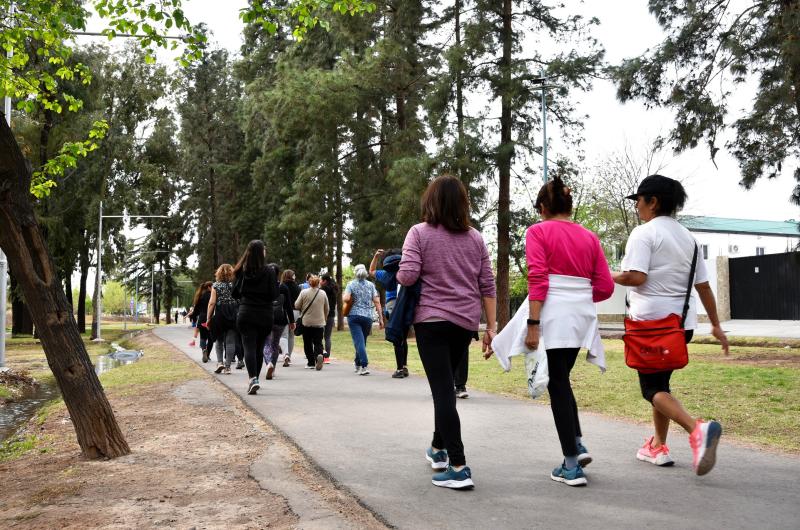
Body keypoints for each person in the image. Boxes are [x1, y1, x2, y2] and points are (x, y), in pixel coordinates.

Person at [613, 174, 729, 476]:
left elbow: (636, 277)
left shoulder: (643, 233)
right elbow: (703, 286)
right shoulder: (689, 239)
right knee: (660, 384)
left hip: (650, 326)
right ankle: (658, 446)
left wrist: (605, 273)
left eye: (639, 200)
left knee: (650, 388)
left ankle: (697, 429)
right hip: (681, 327)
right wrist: (716, 325)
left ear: (653, 201)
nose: (637, 205)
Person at [396, 175, 497, 490]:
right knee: (446, 387)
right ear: (462, 204)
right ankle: (438, 449)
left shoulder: (419, 233)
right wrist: (491, 327)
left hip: (432, 321)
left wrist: (395, 271)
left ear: (431, 201)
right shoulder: (476, 238)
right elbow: (487, 284)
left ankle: (458, 465)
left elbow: (409, 275)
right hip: (464, 323)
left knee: (442, 391)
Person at [520, 176, 615, 487]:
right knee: (562, 379)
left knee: (558, 384)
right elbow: (605, 285)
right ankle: (575, 442)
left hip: (553, 315)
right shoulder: (590, 237)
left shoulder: (537, 232)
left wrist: (533, 324)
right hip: (581, 317)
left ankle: (572, 465)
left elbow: (538, 278)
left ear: (544, 207)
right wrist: (578, 296)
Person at [232, 240, 278, 395]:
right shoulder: (270, 272)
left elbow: (235, 293)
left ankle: (253, 379)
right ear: (261, 253)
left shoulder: (241, 271)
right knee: (258, 348)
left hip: (246, 312)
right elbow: (273, 295)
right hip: (265, 314)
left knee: (248, 347)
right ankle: (255, 378)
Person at [370, 249, 408, 379]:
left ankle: (399, 369)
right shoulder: (404, 272)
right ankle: (404, 366)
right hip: (405, 304)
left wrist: (375, 257)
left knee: (397, 339)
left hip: (392, 306)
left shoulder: (385, 274)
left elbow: (371, 271)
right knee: (403, 337)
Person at [343, 264, 383, 375]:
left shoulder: (350, 284)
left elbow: (346, 298)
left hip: (354, 316)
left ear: (355, 273)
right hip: (367, 317)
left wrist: (349, 298)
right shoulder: (371, 285)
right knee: (361, 341)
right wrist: (381, 319)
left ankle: (364, 365)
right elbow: (377, 302)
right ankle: (357, 364)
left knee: (359, 341)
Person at [207, 264, 240, 375]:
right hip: (233, 314)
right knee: (230, 342)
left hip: (220, 314)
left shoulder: (216, 286)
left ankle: (220, 362)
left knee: (219, 340)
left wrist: (208, 318)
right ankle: (228, 367)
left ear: (218, 273)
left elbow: (212, 303)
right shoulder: (235, 285)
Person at [263, 263, 295, 379]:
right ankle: (273, 367)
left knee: (266, 343)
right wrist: (292, 321)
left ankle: (268, 364)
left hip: (265, 318)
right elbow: (288, 306)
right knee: (275, 344)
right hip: (280, 319)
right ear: (278, 274)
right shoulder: (283, 287)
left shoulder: (263, 287)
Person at [294, 275, 329, 370]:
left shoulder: (303, 292)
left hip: (306, 322)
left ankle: (310, 362)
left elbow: (296, 305)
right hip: (319, 322)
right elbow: (327, 308)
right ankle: (319, 355)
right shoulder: (323, 293)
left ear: (309, 283)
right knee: (318, 342)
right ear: (318, 283)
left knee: (307, 342)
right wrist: (324, 318)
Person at [320, 272, 339, 363]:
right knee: (327, 337)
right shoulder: (334, 289)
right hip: (331, 314)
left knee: (319, 335)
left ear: (325, 281)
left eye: (321, 280)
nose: (320, 281)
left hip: (322, 314)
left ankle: (321, 354)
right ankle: (327, 357)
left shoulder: (322, 290)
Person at [190, 282, 212, 353]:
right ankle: (207, 354)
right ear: (209, 287)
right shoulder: (212, 296)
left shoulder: (200, 296)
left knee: (203, 337)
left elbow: (196, 310)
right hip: (211, 318)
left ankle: (204, 350)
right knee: (210, 338)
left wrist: (193, 319)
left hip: (202, 318)